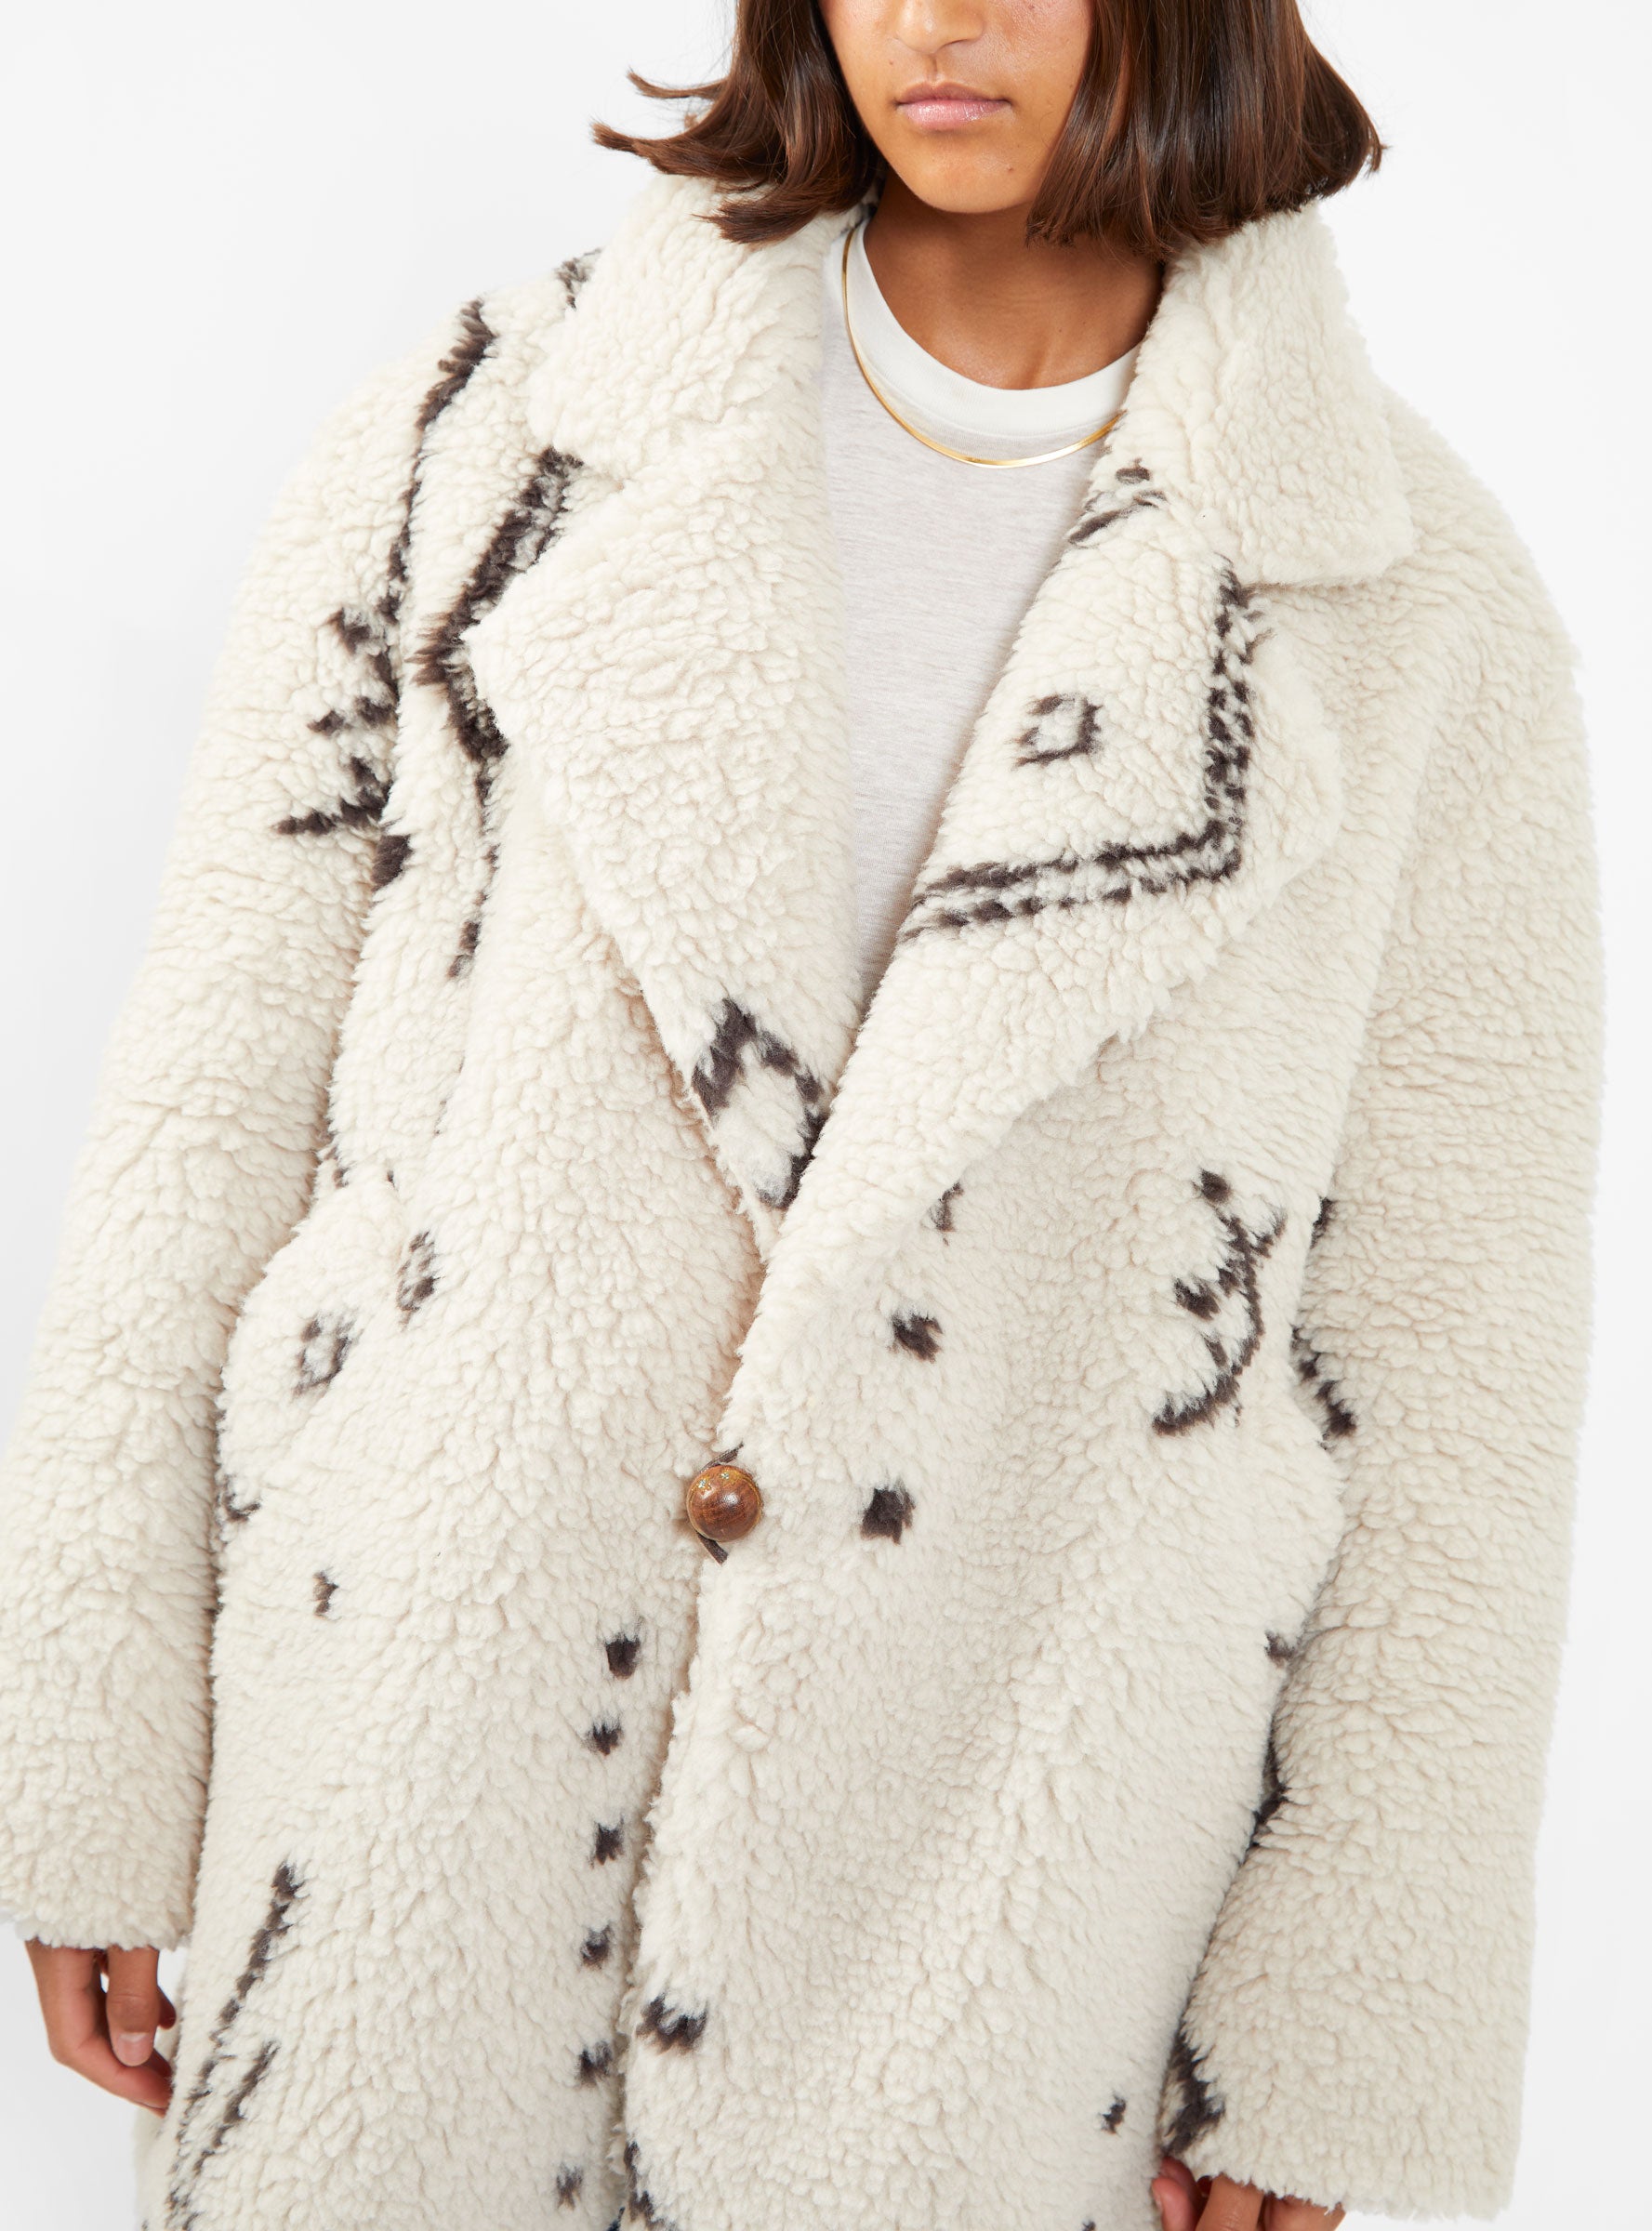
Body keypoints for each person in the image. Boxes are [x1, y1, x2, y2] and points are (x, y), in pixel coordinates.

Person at [0, 2, 1600, 2227]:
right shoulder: (489, 435)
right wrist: (88, 1746)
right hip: (403, 1778)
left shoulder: (1407, 601)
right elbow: (202, 1107)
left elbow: (1457, 1367)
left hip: (1005, 1877)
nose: (939, 17)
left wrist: (1336, 2016)